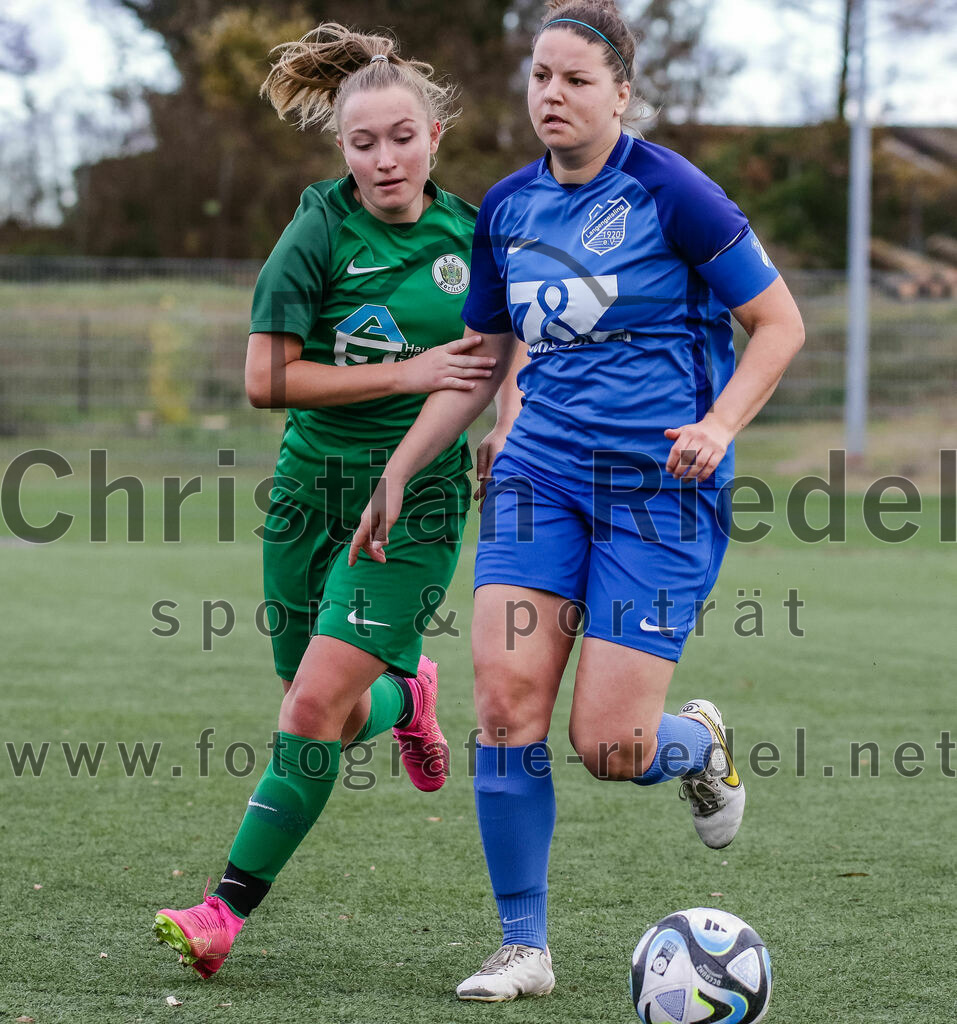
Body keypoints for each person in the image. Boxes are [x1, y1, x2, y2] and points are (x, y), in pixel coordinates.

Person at [349, 0, 805, 1002]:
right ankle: (524, 946)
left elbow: (776, 323)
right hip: (536, 482)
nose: (551, 94)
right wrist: (402, 467)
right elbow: (480, 365)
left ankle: (699, 744)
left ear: (622, 93)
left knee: (610, 746)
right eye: (540, 77)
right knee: (507, 701)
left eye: (575, 79)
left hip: (659, 494)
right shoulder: (507, 209)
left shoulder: (671, 190)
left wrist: (720, 425)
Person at [152, 23, 495, 980]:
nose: (382, 159)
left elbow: (501, 356)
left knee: (307, 710)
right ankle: (408, 695)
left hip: (416, 506)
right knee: (333, 714)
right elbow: (266, 380)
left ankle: (225, 909)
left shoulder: (475, 240)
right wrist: (407, 371)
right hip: (309, 494)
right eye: (361, 142)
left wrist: (497, 416)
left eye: (399, 137)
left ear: (434, 135)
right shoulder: (318, 229)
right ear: (340, 148)